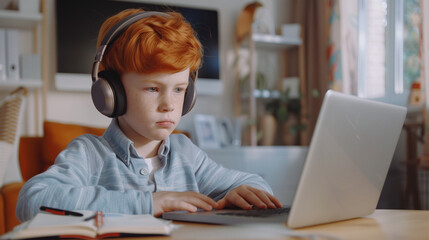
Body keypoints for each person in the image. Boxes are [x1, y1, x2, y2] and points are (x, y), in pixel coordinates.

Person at [16, 8, 282, 222]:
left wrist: (242, 193)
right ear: (112, 92)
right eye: (153, 88)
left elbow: (254, 184)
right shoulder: (89, 155)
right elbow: (32, 200)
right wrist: (148, 203)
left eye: (179, 89)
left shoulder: (184, 152)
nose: (169, 104)